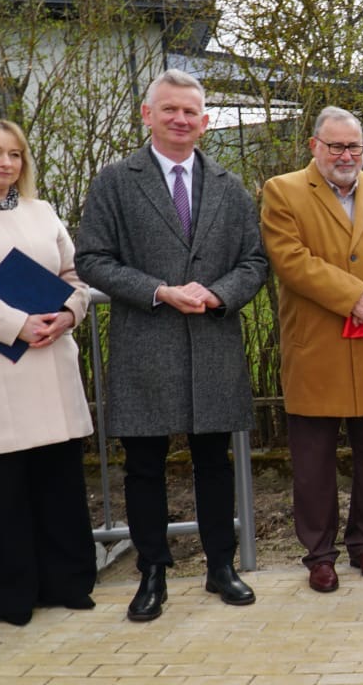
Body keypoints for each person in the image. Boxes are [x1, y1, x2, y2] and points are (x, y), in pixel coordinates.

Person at [75, 68, 269, 622]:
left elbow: (255, 262)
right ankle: (152, 573)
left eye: (191, 112)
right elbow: (92, 259)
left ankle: (220, 568)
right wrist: (158, 290)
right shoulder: (115, 181)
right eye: (170, 110)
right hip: (146, 340)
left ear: (205, 121)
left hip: (212, 341)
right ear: (148, 114)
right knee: (144, 466)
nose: (181, 119)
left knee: (214, 461)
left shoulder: (231, 186)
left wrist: (218, 294)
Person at [260, 107, 363, 593]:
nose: (346, 155)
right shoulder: (283, 191)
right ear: (314, 146)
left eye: (354, 146)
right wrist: (356, 299)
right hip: (317, 350)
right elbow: (291, 261)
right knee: (313, 464)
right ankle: (319, 555)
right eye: (336, 146)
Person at [0, 117, 97, 626]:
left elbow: (74, 275)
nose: (6, 163)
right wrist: (16, 324)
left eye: (15, 154)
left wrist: (70, 313)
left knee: (59, 482)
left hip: (51, 361)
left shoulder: (42, 212)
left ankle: (67, 582)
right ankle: (11, 596)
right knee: (4, 489)